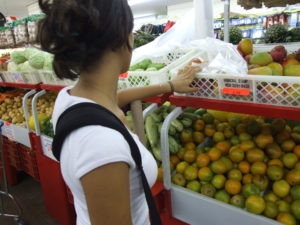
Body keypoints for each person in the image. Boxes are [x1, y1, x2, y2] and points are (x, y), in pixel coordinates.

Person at [37, 0, 200, 224]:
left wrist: (170, 86)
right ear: (124, 37)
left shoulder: (71, 98)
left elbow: (115, 99)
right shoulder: (101, 144)